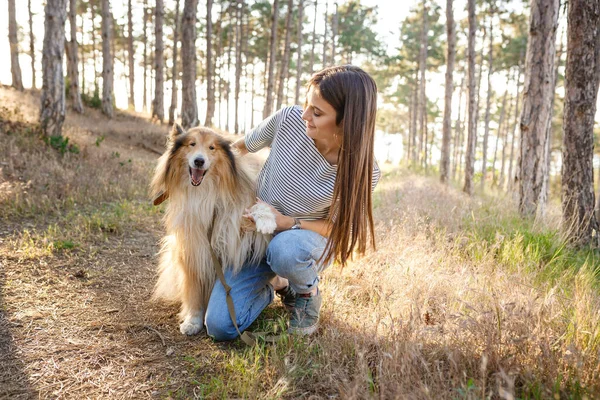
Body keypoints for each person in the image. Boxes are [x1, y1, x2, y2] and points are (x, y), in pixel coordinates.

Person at [204, 65, 380, 340]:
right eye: (307, 104)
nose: (305, 115)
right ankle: (275, 283)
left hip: (303, 243)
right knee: (219, 326)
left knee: (285, 249)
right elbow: (238, 148)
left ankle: (306, 293)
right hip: (256, 237)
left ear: (347, 121)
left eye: (317, 112)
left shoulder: (362, 170)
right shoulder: (288, 120)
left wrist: (290, 223)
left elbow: (339, 229)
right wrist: (202, 157)